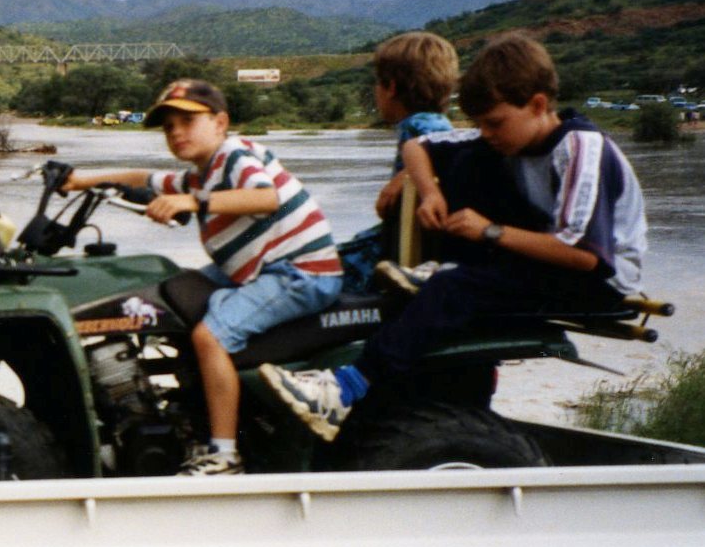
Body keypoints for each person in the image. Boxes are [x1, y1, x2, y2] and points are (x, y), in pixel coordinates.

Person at [260, 32, 647, 441]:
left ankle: (345, 388)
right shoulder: (506, 137)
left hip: (596, 279)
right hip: (545, 261)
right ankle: (446, 274)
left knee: (453, 289)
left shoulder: (581, 147)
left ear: (537, 104)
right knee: (472, 157)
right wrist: (429, 191)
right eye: (480, 123)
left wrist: (489, 231)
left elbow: (585, 254)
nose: (488, 131)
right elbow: (420, 147)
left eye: (495, 122)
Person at [63, 78, 343, 473]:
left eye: (187, 121)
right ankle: (187, 415)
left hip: (300, 273)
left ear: (220, 122)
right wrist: (81, 182)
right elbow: (142, 178)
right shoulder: (200, 172)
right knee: (172, 296)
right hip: (257, 268)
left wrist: (192, 202)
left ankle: (225, 455)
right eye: (168, 126)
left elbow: (265, 197)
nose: (176, 132)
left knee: (209, 335)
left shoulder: (234, 155)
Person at [371, 30, 457, 220]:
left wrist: (404, 176)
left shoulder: (424, 121)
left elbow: (444, 148)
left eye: (377, 82)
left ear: (391, 88)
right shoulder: (418, 121)